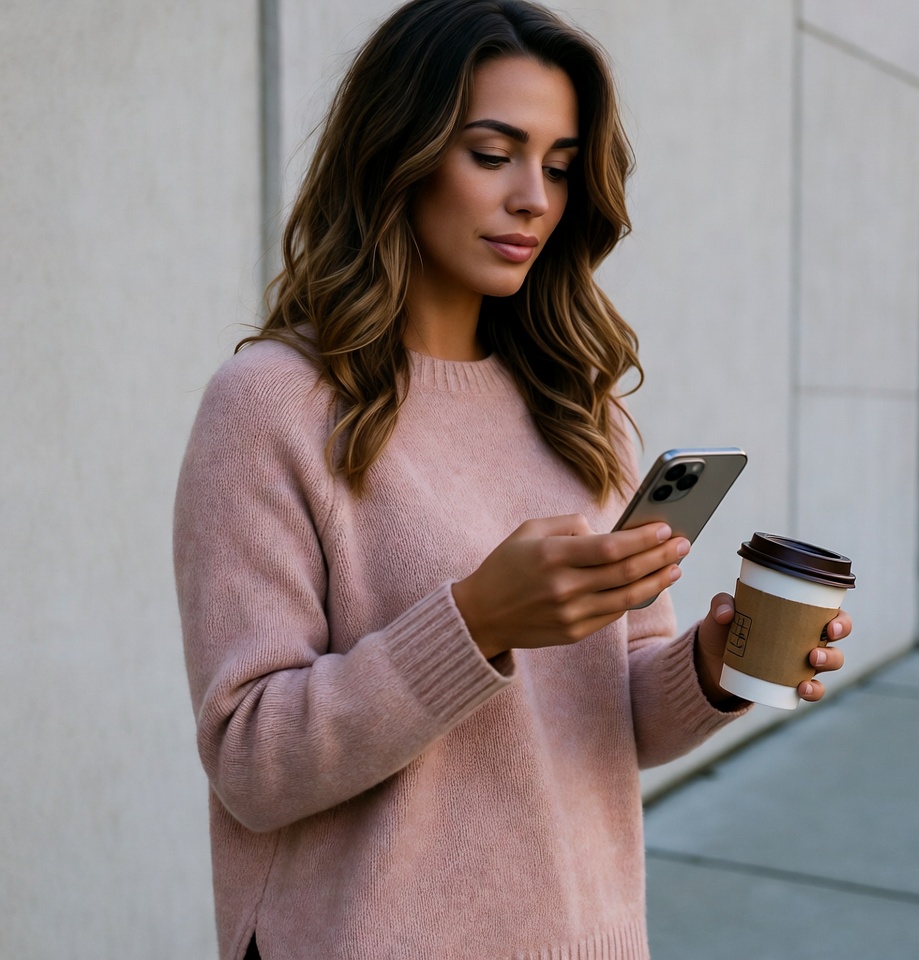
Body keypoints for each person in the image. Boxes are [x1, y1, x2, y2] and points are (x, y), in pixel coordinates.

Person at [173, 1, 851, 957]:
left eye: (560, 167)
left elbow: (610, 720)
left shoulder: (581, 410)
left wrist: (713, 664)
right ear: (396, 155)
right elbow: (251, 761)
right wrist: (477, 619)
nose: (534, 197)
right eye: (493, 154)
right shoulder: (272, 406)